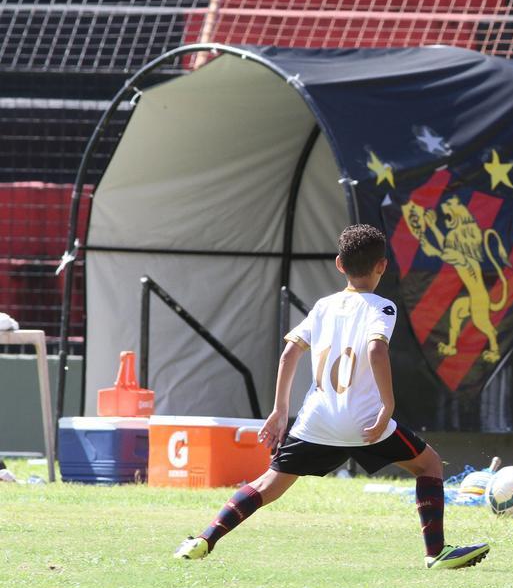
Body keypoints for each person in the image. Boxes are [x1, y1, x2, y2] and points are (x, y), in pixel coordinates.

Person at [173, 224, 490, 569]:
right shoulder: (382, 307)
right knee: (428, 464)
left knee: (270, 483)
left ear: (339, 264)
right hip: (365, 421)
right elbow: (376, 351)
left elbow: (289, 354)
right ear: (382, 266)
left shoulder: (324, 306)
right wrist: (388, 405)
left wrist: (280, 411)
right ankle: (436, 553)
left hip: (318, 419)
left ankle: (205, 539)